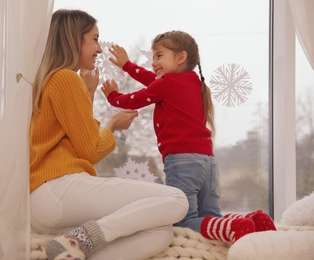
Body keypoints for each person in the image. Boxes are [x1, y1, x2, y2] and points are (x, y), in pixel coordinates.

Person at [29, 9, 189, 260]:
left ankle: (72, 250)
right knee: (177, 199)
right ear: (74, 39)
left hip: (46, 204)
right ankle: (83, 238)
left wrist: (89, 93)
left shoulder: (51, 78)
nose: (100, 49)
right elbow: (91, 151)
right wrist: (113, 123)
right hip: (57, 188)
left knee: (160, 232)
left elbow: (77, 134)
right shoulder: (65, 78)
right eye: (94, 39)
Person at [101, 30, 276, 244]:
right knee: (210, 218)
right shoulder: (194, 83)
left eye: (159, 55)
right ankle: (251, 220)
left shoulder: (166, 84)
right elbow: (152, 81)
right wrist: (127, 65)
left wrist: (112, 95)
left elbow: (133, 100)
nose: (153, 62)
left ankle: (235, 225)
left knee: (183, 221)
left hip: (182, 163)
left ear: (181, 57)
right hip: (208, 163)